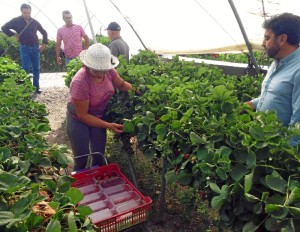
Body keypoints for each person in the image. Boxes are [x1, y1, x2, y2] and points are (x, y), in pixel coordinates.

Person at [66, 43, 139, 171]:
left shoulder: (109, 71)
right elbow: (83, 116)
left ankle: (97, 180)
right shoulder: (80, 82)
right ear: (87, 65)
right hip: (78, 119)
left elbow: (121, 84)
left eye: (103, 70)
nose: (101, 74)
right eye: (96, 71)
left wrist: (138, 91)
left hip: (98, 115)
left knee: (99, 155)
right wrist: (108, 125)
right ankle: (80, 185)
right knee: (81, 157)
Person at [245, 12, 300, 145]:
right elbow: (276, 96)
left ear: (282, 39)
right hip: (264, 139)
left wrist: (284, 155)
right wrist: (248, 105)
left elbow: (298, 119)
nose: (263, 43)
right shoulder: (277, 61)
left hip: (278, 147)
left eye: (267, 38)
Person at [1, 3, 48, 94]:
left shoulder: (34, 21)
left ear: (30, 12)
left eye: (28, 12)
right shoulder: (16, 20)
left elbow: (44, 32)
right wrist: (14, 34)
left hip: (35, 47)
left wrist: (44, 45)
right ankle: (25, 88)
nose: (27, 14)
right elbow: (4, 27)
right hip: (24, 48)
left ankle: (36, 87)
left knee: (36, 68)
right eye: (25, 12)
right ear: (21, 12)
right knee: (25, 68)